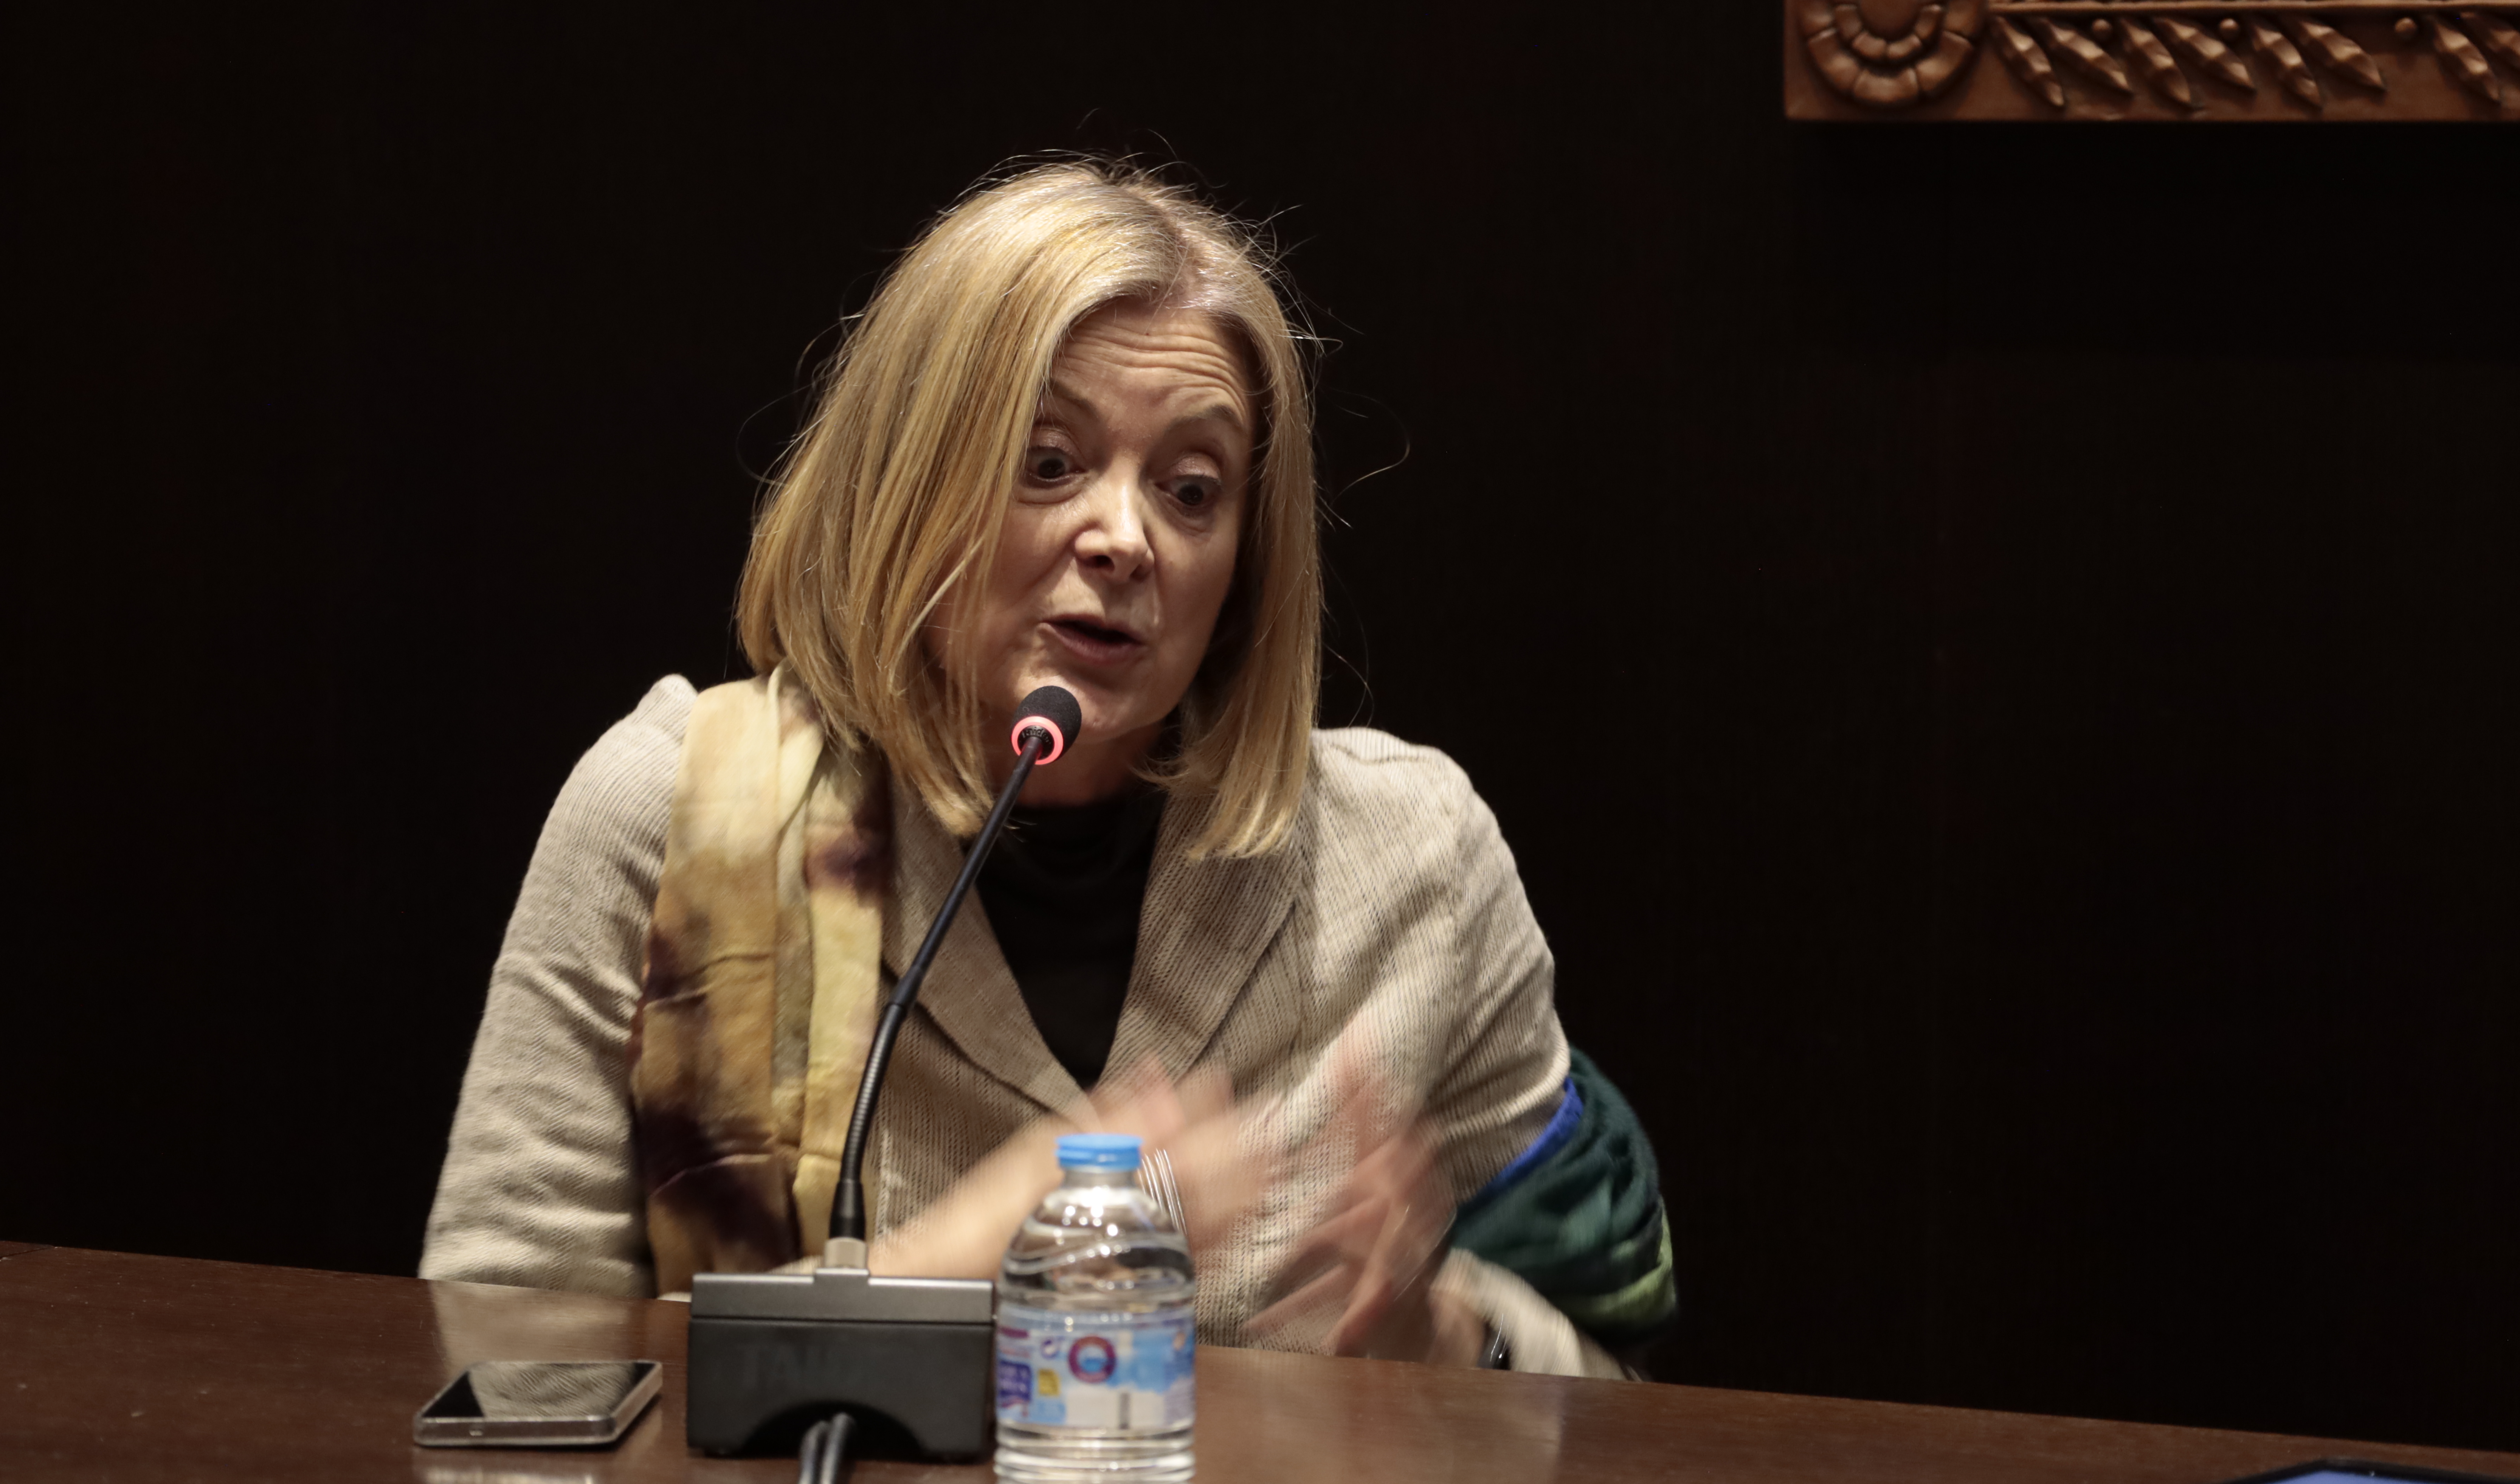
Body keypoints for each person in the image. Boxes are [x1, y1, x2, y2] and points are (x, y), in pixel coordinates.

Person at [420, 161, 1672, 1375]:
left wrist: (1446, 1339)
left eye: (1192, 489)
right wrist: (966, 1256)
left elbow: (1612, 1399)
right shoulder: (675, 820)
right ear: (907, 481)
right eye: (1050, 463)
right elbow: (503, 1382)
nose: (1126, 537)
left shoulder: (1414, 862)